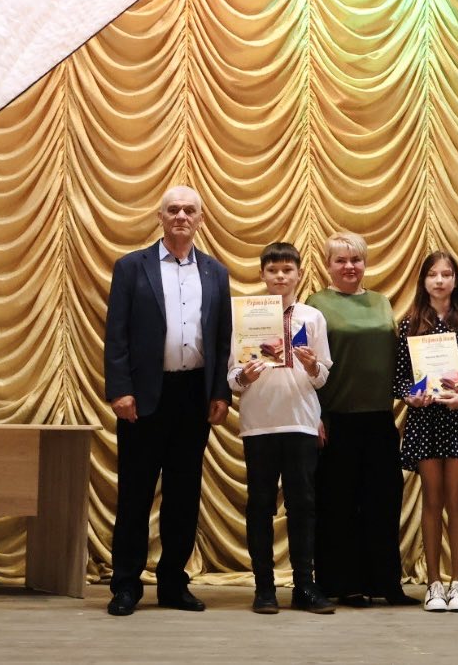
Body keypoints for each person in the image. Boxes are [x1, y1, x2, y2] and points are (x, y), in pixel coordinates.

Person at [103, 185, 232, 617]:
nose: (181, 216)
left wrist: (220, 392)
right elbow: (116, 335)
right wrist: (120, 389)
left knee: (183, 495)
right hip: (142, 397)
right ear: (160, 217)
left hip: (193, 395)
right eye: (173, 209)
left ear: (200, 219)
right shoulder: (131, 267)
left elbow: (222, 339)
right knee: (135, 495)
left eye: (189, 210)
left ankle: (174, 584)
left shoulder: (216, 272)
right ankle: (125, 585)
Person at [306, 232, 419, 606]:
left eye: (356, 259)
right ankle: (344, 583)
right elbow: (309, 366)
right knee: (338, 505)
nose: (349, 266)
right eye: (340, 260)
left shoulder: (382, 302)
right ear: (328, 265)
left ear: (365, 262)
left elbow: (397, 358)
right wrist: (315, 415)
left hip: (379, 418)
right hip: (335, 418)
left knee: (383, 503)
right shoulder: (315, 305)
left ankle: (386, 583)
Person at [228, 242, 336, 615]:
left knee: (302, 506)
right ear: (261, 274)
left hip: (301, 422)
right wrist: (244, 375)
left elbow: (323, 376)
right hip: (258, 425)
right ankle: (264, 589)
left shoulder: (313, 317)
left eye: (287, 270)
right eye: (272, 270)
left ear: (299, 274)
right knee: (260, 506)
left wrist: (312, 366)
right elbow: (231, 378)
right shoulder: (244, 316)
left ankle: (304, 586)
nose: (280, 276)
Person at [394, 251, 458, 613]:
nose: (439, 280)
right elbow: (399, 379)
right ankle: (434, 584)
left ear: (455, 280)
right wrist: (410, 396)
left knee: (457, 500)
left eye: (446, 274)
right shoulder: (409, 325)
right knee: (431, 500)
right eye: (433, 274)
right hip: (425, 421)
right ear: (423, 281)